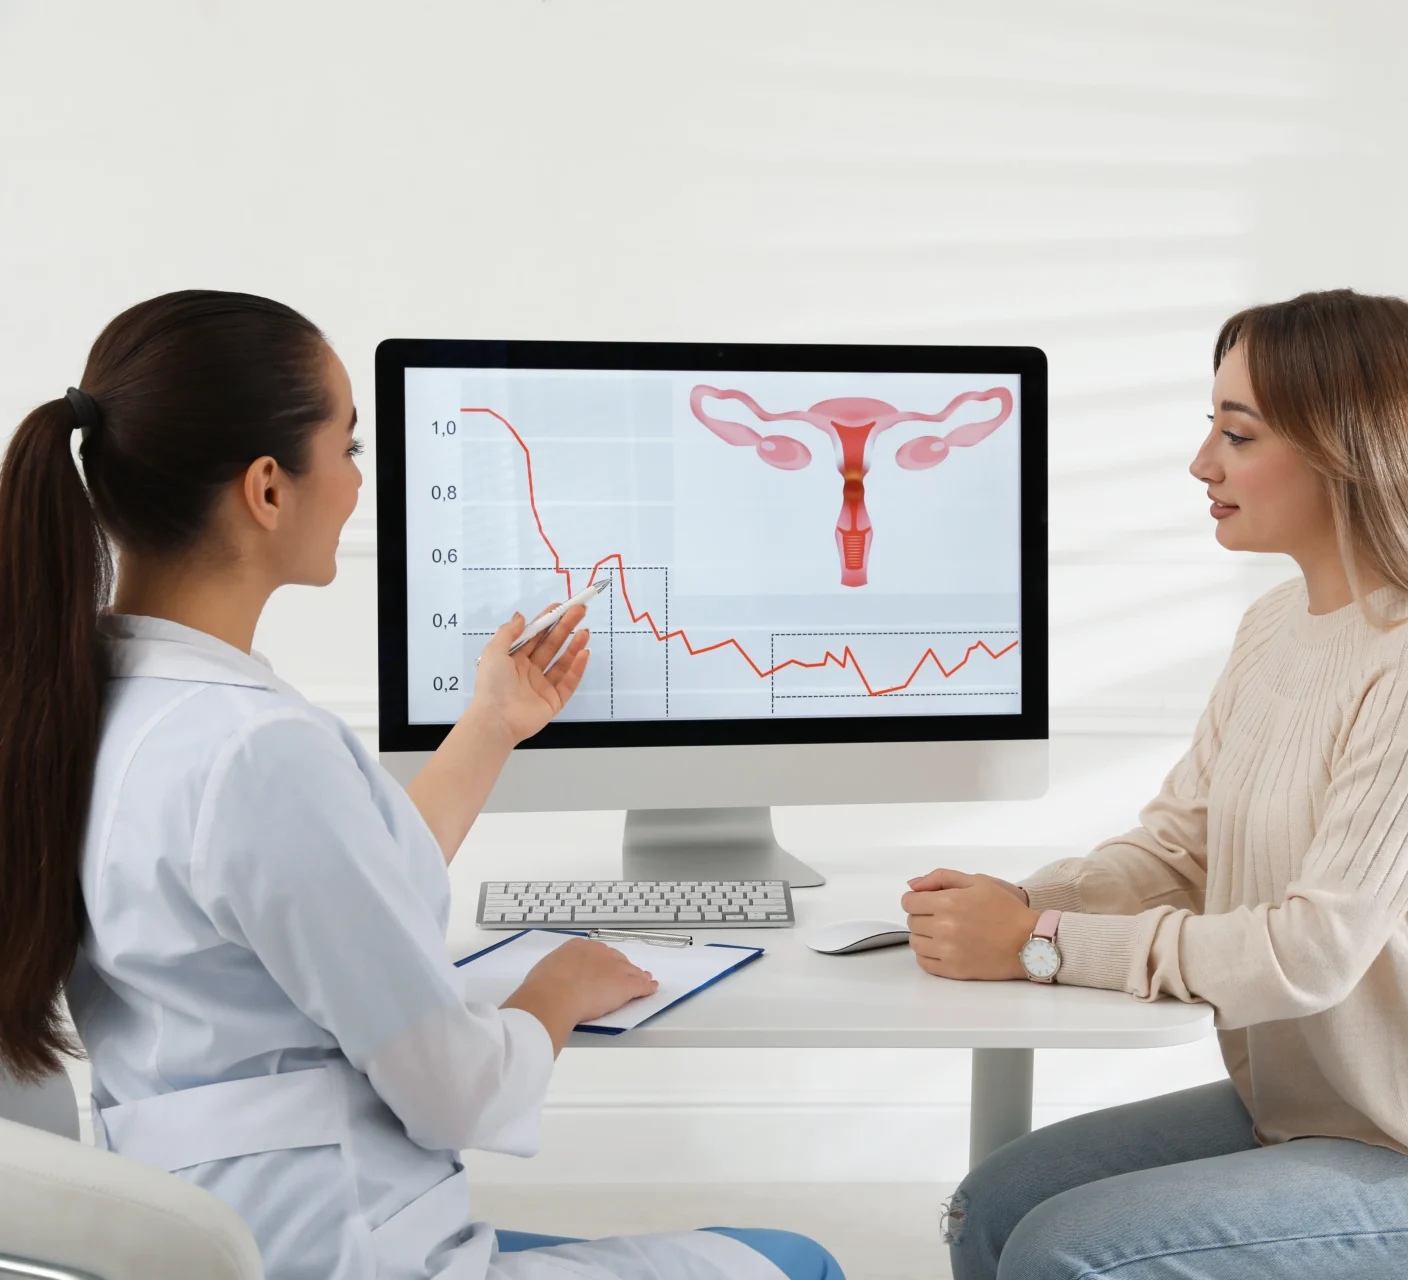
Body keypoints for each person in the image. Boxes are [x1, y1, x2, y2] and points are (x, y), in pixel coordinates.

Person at [0, 291, 843, 1280]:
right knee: (800, 1258)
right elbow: (456, 1094)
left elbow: (333, 878)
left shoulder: (85, 700)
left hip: (207, 1236)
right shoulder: (256, 749)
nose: (361, 483)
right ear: (268, 488)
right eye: (350, 446)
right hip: (344, 1251)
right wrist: (555, 989)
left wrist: (490, 724)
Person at [904, 290, 1408, 1280]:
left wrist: (1036, 944)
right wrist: (1014, 901)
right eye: (1212, 427)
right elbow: (1177, 849)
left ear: (1345, 450)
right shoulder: (1278, 625)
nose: (1204, 463)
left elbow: (1309, 951)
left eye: (1236, 434)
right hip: (1328, 1109)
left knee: (1066, 1254)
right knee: (991, 1208)